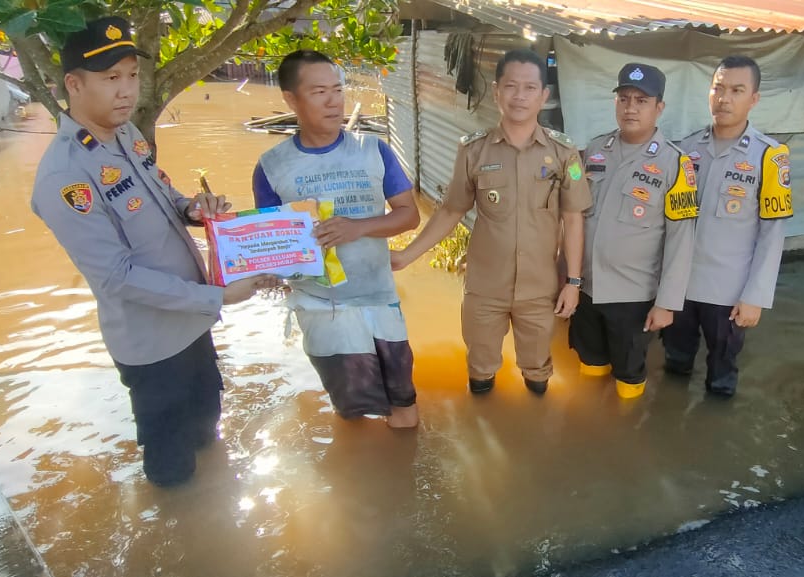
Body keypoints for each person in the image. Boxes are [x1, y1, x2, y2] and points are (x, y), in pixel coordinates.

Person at [31, 16, 278, 487]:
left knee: (208, 431)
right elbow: (116, 277)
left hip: (192, 324)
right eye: (110, 79)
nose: (126, 90)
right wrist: (222, 297)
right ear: (73, 85)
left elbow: (163, 199)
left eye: (132, 75)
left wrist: (193, 208)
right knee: (171, 468)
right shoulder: (65, 177)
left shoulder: (127, 136)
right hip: (152, 347)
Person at [391, 49, 591, 396]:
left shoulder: (565, 155)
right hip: (485, 288)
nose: (519, 96)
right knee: (480, 369)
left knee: (537, 370)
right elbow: (451, 212)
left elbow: (573, 218)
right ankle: (483, 418)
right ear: (497, 91)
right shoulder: (473, 151)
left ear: (544, 97)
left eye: (530, 88)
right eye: (511, 86)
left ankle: (535, 426)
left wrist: (572, 282)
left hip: (539, 289)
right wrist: (407, 256)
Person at [252, 50, 421, 428]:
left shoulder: (373, 150)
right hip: (320, 307)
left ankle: (401, 477)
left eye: (338, 89)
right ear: (291, 99)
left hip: (380, 299)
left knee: (404, 409)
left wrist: (358, 227)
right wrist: (264, 271)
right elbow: (271, 243)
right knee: (352, 412)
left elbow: (409, 215)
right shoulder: (272, 167)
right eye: (319, 92)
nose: (333, 101)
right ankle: (361, 479)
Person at [661, 56, 791, 397]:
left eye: (737, 90)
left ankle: (715, 438)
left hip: (728, 292)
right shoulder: (685, 151)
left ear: (754, 98)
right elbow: (672, 223)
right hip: (680, 287)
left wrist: (755, 297)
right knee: (674, 365)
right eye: (718, 88)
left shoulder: (770, 157)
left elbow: (772, 235)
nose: (725, 98)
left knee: (721, 377)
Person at [571, 63, 698, 399]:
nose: (630, 107)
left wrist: (667, 303)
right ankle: (589, 430)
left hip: (633, 296)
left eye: (641, 100)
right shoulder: (595, 150)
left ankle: (626, 432)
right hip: (586, 288)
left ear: (660, 108)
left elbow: (681, 239)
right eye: (624, 98)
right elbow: (572, 218)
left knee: (628, 379)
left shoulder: (675, 164)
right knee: (589, 367)